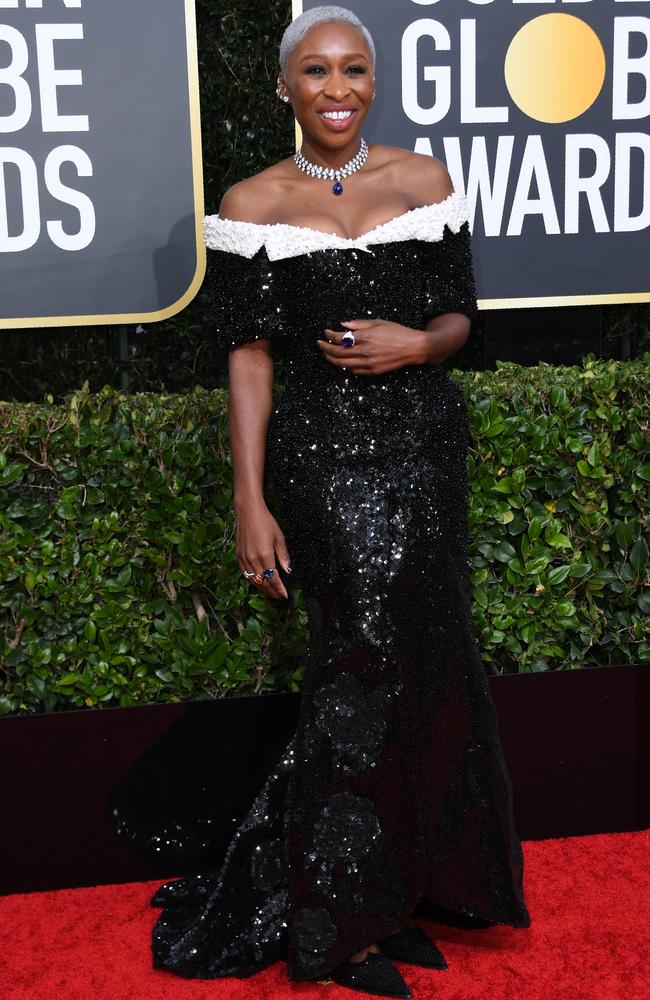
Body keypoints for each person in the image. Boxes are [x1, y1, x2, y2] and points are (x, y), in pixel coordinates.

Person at [150, 6, 531, 998]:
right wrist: (249, 497)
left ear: (372, 82)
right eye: (313, 71)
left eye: (352, 70)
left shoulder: (423, 181)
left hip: (424, 450)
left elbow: (458, 314)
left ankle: (401, 888)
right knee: (355, 668)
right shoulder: (251, 199)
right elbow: (246, 362)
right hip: (322, 463)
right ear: (284, 86)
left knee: (425, 658)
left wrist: (421, 343)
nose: (334, 88)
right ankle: (338, 922)